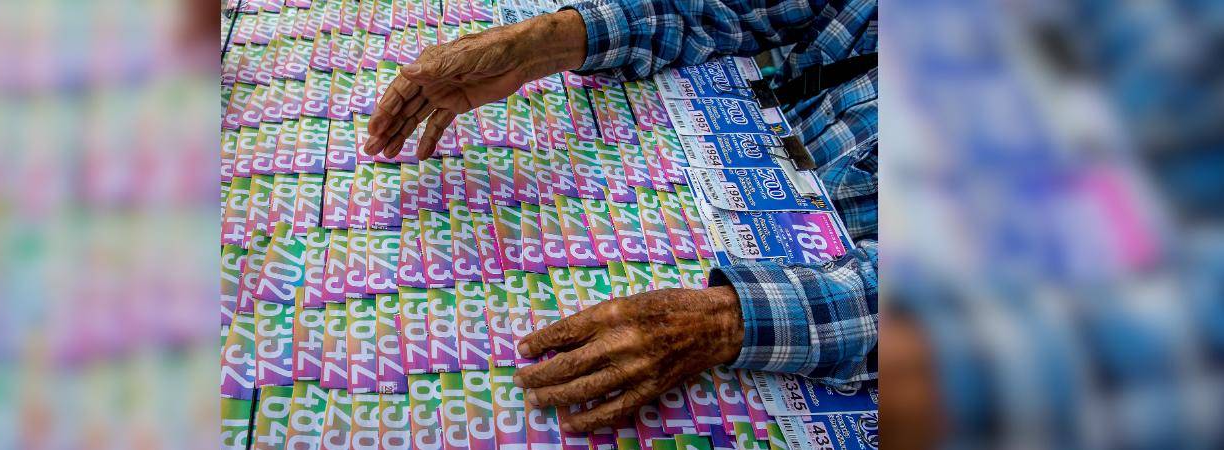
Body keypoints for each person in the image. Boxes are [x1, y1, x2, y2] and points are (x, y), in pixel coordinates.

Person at [364, 0, 880, 434]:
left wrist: (729, 320)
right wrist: (539, 44)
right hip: (746, 174)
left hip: (822, 317)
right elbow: (721, 12)